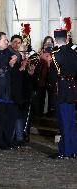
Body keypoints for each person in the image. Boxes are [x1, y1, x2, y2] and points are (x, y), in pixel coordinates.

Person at [48, 29, 77, 159]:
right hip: (72, 88)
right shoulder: (74, 52)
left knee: (64, 122)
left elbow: (53, 77)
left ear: (55, 40)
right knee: (70, 121)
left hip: (61, 89)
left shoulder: (55, 55)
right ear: (67, 38)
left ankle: (66, 151)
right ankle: (73, 150)